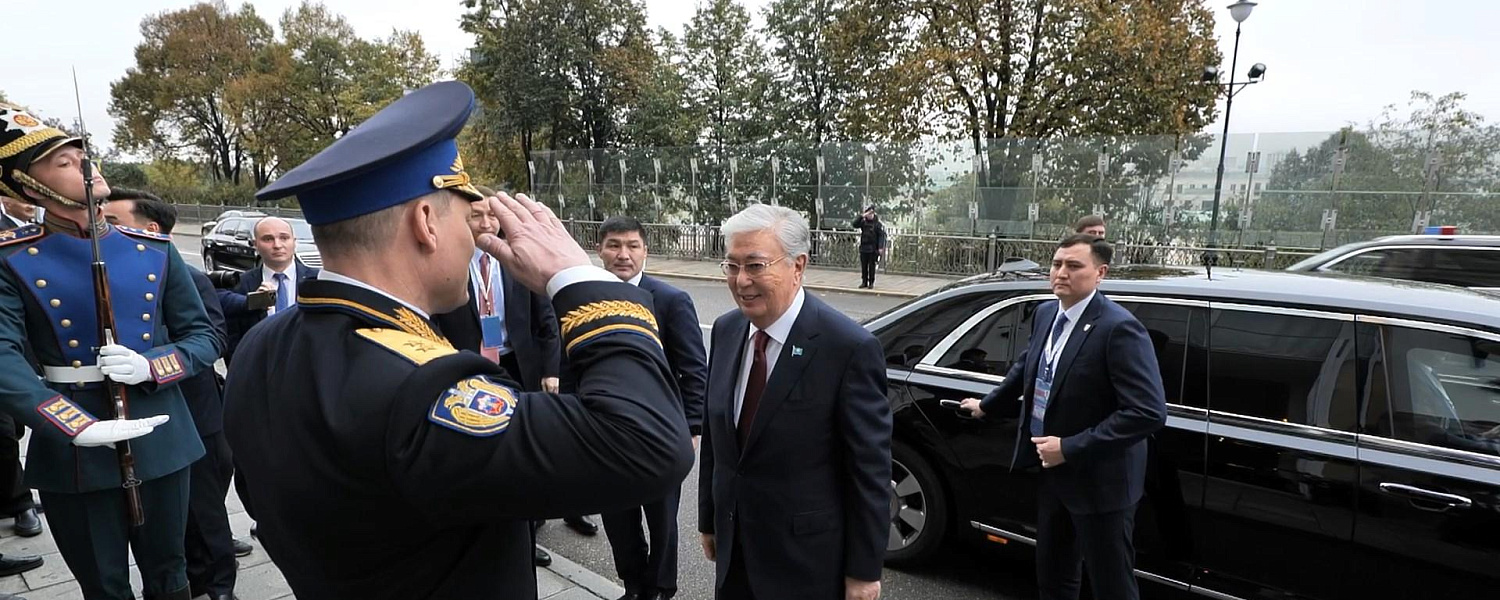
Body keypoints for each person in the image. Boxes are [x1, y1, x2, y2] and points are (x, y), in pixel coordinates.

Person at [222, 81, 694, 600]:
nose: (475, 236)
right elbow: (649, 447)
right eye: (463, 214)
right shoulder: (420, 387)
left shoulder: (261, 345)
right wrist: (580, 280)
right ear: (425, 222)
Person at [0, 101, 222, 600]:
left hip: (159, 433)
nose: (85, 164)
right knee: (103, 584)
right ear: (25, 184)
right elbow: (3, 357)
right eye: (62, 161)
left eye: (82, 153)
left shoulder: (153, 249)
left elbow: (204, 336)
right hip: (73, 442)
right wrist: (74, 424)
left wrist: (153, 365)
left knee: (172, 576)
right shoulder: (10, 259)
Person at [959, 234, 1166, 600]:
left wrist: (1069, 447)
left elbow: (1147, 412)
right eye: (1057, 264)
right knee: (1054, 575)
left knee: (1111, 585)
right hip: (1052, 473)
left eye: (1074, 266)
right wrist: (987, 405)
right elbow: (1027, 367)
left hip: (1102, 483)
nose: (1061, 273)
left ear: (1100, 273)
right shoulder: (1045, 313)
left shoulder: (1118, 329)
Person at [699, 204, 891, 600]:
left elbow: (868, 472)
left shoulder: (847, 347)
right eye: (731, 266)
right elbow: (718, 434)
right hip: (735, 550)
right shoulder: (727, 330)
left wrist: (863, 572)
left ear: (798, 266)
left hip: (806, 563)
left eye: (755, 265)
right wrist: (710, 519)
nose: (740, 281)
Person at [103, 190, 249, 600]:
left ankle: (218, 590)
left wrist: (149, 365)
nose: (102, 229)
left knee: (204, 518)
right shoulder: (106, 277)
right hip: (136, 423)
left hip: (191, 417)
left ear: (149, 231)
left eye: (113, 221)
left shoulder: (185, 276)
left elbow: (211, 338)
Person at [431, 190, 573, 567]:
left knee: (526, 449)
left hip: (518, 366)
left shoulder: (518, 263)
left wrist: (550, 369)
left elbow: (546, 320)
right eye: (476, 216)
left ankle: (529, 530)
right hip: (469, 369)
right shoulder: (450, 262)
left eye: (491, 216)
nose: (486, 224)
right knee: (481, 448)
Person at [594, 216, 707, 600]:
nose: (623, 254)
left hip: (661, 432)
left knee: (661, 519)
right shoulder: (586, 297)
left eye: (632, 245)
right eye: (614, 245)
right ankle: (633, 584)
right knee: (617, 517)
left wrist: (693, 427)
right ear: (600, 250)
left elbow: (694, 369)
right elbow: (571, 362)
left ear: (645, 251)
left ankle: (659, 588)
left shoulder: (672, 301)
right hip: (604, 431)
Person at [216, 216, 318, 364]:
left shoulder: (317, 281)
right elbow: (233, 341)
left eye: (284, 238)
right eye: (268, 239)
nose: (277, 245)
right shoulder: (240, 286)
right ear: (255, 244)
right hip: (261, 373)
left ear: (294, 242)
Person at [851, 206, 887, 289]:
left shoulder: (877, 224)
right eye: (868, 213)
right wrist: (862, 216)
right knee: (864, 266)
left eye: (871, 213)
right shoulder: (863, 222)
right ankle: (864, 281)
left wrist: (880, 247)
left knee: (871, 266)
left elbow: (881, 236)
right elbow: (854, 224)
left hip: (873, 248)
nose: (869, 215)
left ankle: (871, 282)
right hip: (864, 247)